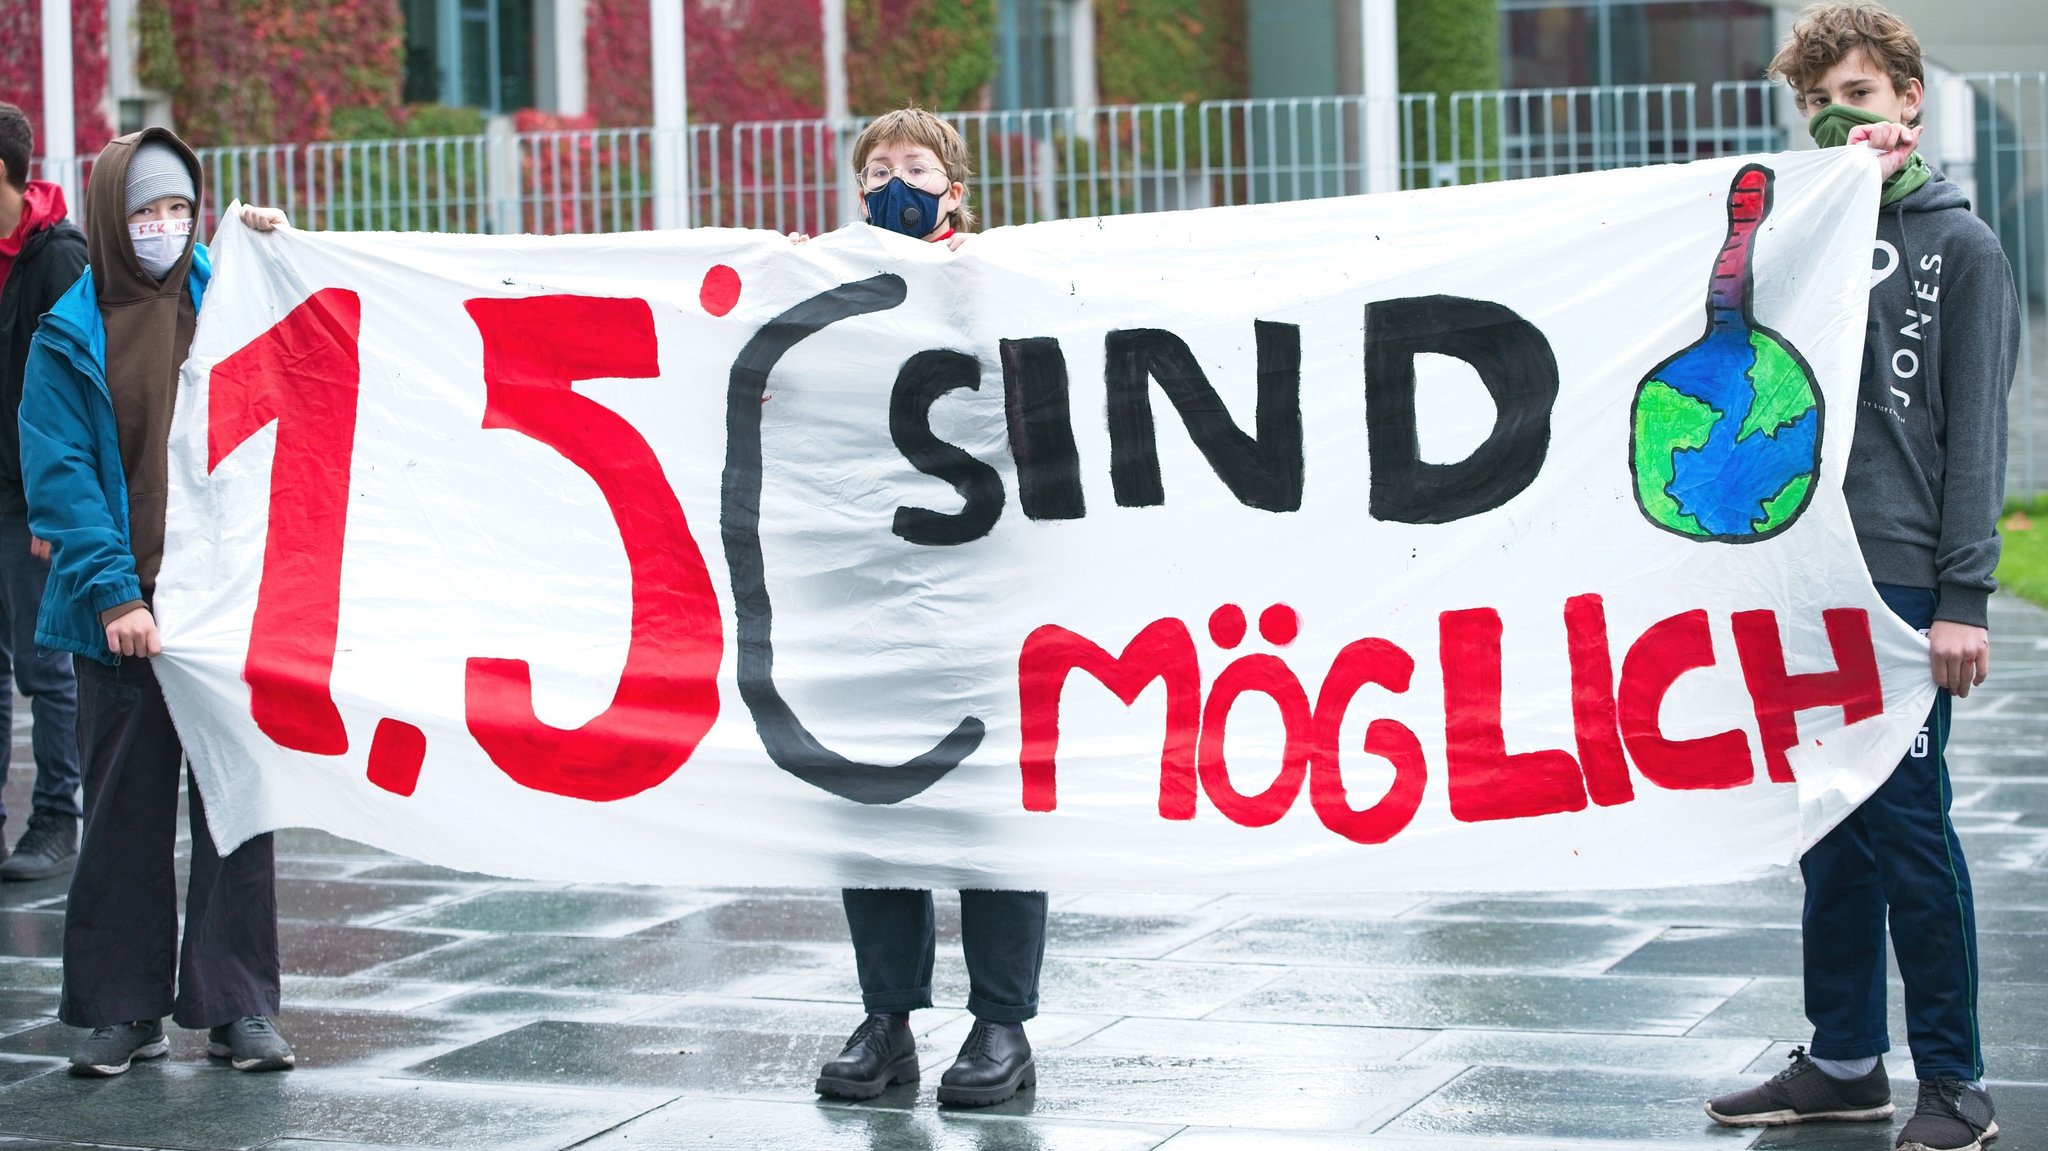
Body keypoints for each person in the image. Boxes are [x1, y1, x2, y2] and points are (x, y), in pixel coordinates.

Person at [1703, 7, 2019, 1151]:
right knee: (1825, 828)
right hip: (1802, 573)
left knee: (1906, 828)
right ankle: (1841, 1059)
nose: (1840, 116)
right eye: (1816, 101)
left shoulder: (1961, 248)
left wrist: (1960, 598)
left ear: (1908, 100)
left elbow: (1972, 434)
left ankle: (1953, 1079)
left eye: (1859, 93)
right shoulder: (1793, 240)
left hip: (1896, 583)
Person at [19, 127, 296, 1077]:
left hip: (222, 609)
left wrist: (275, 246)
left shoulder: (225, 297)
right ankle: (118, 1007)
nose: (165, 227)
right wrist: (111, 598)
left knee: (236, 810)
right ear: (110, 214)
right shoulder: (69, 329)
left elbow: (310, 347)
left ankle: (238, 1006)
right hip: (123, 617)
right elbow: (61, 478)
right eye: (145, 210)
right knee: (124, 813)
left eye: (180, 207)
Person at [809, 108, 1046, 1110]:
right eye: (876, 169)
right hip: (863, 583)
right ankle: (887, 1020)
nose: (892, 182)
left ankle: (1000, 1023)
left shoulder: (999, 283)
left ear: (955, 189)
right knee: (869, 801)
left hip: (984, 585)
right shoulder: (817, 286)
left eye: (915, 167)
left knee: (990, 812)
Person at [0, 103, 86, 883]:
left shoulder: (56, 258)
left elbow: (72, 386)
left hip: (30, 500)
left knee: (43, 663)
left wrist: (52, 503)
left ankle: (58, 815)